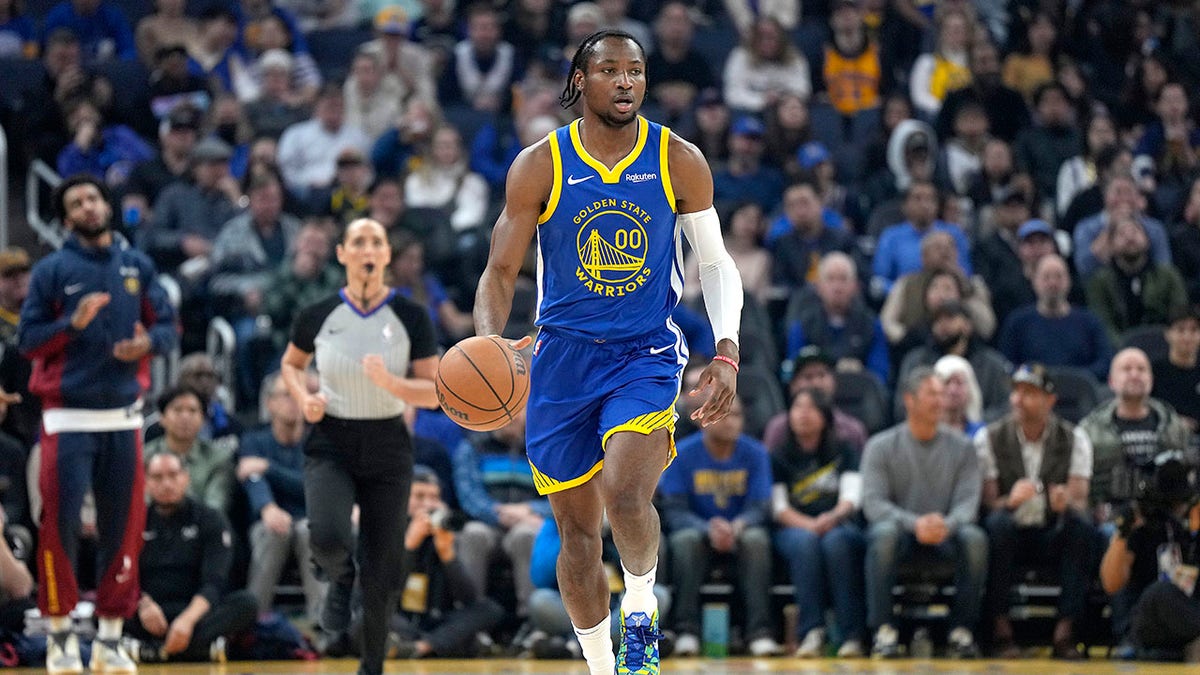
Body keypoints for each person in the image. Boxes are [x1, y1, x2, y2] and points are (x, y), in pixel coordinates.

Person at [473, 29, 744, 675]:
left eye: (637, 71)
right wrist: (489, 342)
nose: (626, 82)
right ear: (580, 82)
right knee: (576, 534)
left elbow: (716, 261)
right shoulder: (540, 163)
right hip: (561, 358)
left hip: (644, 352)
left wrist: (727, 348)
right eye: (611, 71)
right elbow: (500, 271)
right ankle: (601, 665)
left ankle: (642, 614)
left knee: (625, 491)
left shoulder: (679, 158)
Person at [20, 174, 177, 674]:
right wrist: (73, 325)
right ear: (65, 219)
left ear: (105, 205)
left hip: (123, 418)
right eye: (77, 203)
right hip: (67, 418)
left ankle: (111, 638)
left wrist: (148, 344)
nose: (89, 207)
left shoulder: (137, 265)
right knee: (59, 527)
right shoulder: (51, 271)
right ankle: (60, 635)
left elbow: (170, 325)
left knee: (124, 529)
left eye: (93, 198)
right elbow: (27, 340)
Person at [279, 217, 440, 675]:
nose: (367, 249)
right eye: (358, 242)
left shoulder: (411, 316)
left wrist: (392, 383)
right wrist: (303, 396)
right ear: (343, 254)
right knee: (328, 535)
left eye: (376, 242)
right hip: (332, 440)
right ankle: (338, 576)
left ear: (386, 255)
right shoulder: (318, 313)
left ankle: (372, 666)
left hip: (389, 444)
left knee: (384, 567)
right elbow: (291, 364)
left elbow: (434, 392)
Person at [861, 367, 985, 659]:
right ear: (909, 400)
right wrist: (914, 523)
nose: (940, 401)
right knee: (883, 534)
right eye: (932, 394)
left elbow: (969, 503)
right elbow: (873, 503)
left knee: (975, 538)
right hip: (902, 534)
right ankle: (884, 631)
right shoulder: (880, 446)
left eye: (942, 394)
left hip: (946, 535)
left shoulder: (964, 448)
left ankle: (961, 631)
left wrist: (948, 524)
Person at [974, 364, 1094, 659]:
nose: (1018, 399)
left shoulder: (1074, 438)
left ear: (1049, 400)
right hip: (1010, 532)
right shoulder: (989, 437)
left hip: (1051, 530)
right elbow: (987, 502)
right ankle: (1001, 632)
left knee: (1081, 527)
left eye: (1028, 392)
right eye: (1015, 392)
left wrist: (1065, 501)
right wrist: (1008, 501)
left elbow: (1080, 499)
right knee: (997, 525)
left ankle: (1065, 633)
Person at [658, 397, 778, 657]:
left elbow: (761, 506)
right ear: (704, 420)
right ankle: (686, 630)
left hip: (740, 530)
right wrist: (707, 528)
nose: (731, 422)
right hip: (699, 532)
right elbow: (674, 509)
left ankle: (759, 633)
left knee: (756, 540)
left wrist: (738, 525)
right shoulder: (682, 453)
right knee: (685, 540)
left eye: (736, 415)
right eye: (724, 415)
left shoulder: (756, 453)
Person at [127, 453, 257, 662]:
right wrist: (142, 604)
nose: (167, 484)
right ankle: (199, 650)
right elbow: (125, 575)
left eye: (173, 475)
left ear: (186, 478)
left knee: (247, 603)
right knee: (103, 609)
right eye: (158, 477)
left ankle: (153, 651)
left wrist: (187, 621)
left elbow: (214, 582)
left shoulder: (210, 518)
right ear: (146, 482)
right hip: (151, 612)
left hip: (196, 610)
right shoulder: (134, 522)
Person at [771, 388, 866, 658]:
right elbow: (779, 508)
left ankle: (852, 635)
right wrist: (809, 525)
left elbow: (852, 497)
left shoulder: (844, 450)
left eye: (811, 408)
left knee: (838, 543)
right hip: (795, 527)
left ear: (825, 417)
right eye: (797, 407)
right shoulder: (780, 454)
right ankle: (811, 632)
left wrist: (831, 518)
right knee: (806, 543)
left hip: (837, 522)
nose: (803, 414)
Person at [387, 465, 504, 658]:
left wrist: (447, 555)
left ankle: (420, 647)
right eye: (420, 497)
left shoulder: (445, 533)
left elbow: (469, 599)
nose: (428, 504)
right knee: (368, 615)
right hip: (396, 617)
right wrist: (409, 547)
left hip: (433, 619)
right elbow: (381, 593)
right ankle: (441, 643)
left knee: (490, 609)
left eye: (434, 498)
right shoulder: (384, 530)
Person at [238, 373, 322, 625]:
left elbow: (315, 488)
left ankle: (325, 629)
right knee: (274, 530)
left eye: (300, 394)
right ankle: (251, 624)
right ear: (270, 402)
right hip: (269, 522)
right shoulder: (253, 440)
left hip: (311, 519)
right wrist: (267, 507)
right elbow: (252, 479)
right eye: (287, 394)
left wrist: (268, 468)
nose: (294, 401)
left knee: (310, 531)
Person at [1152, 305, 1200, 430]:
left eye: (1194, 330)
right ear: (1167, 334)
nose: (1187, 337)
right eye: (1180, 330)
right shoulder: (1154, 372)